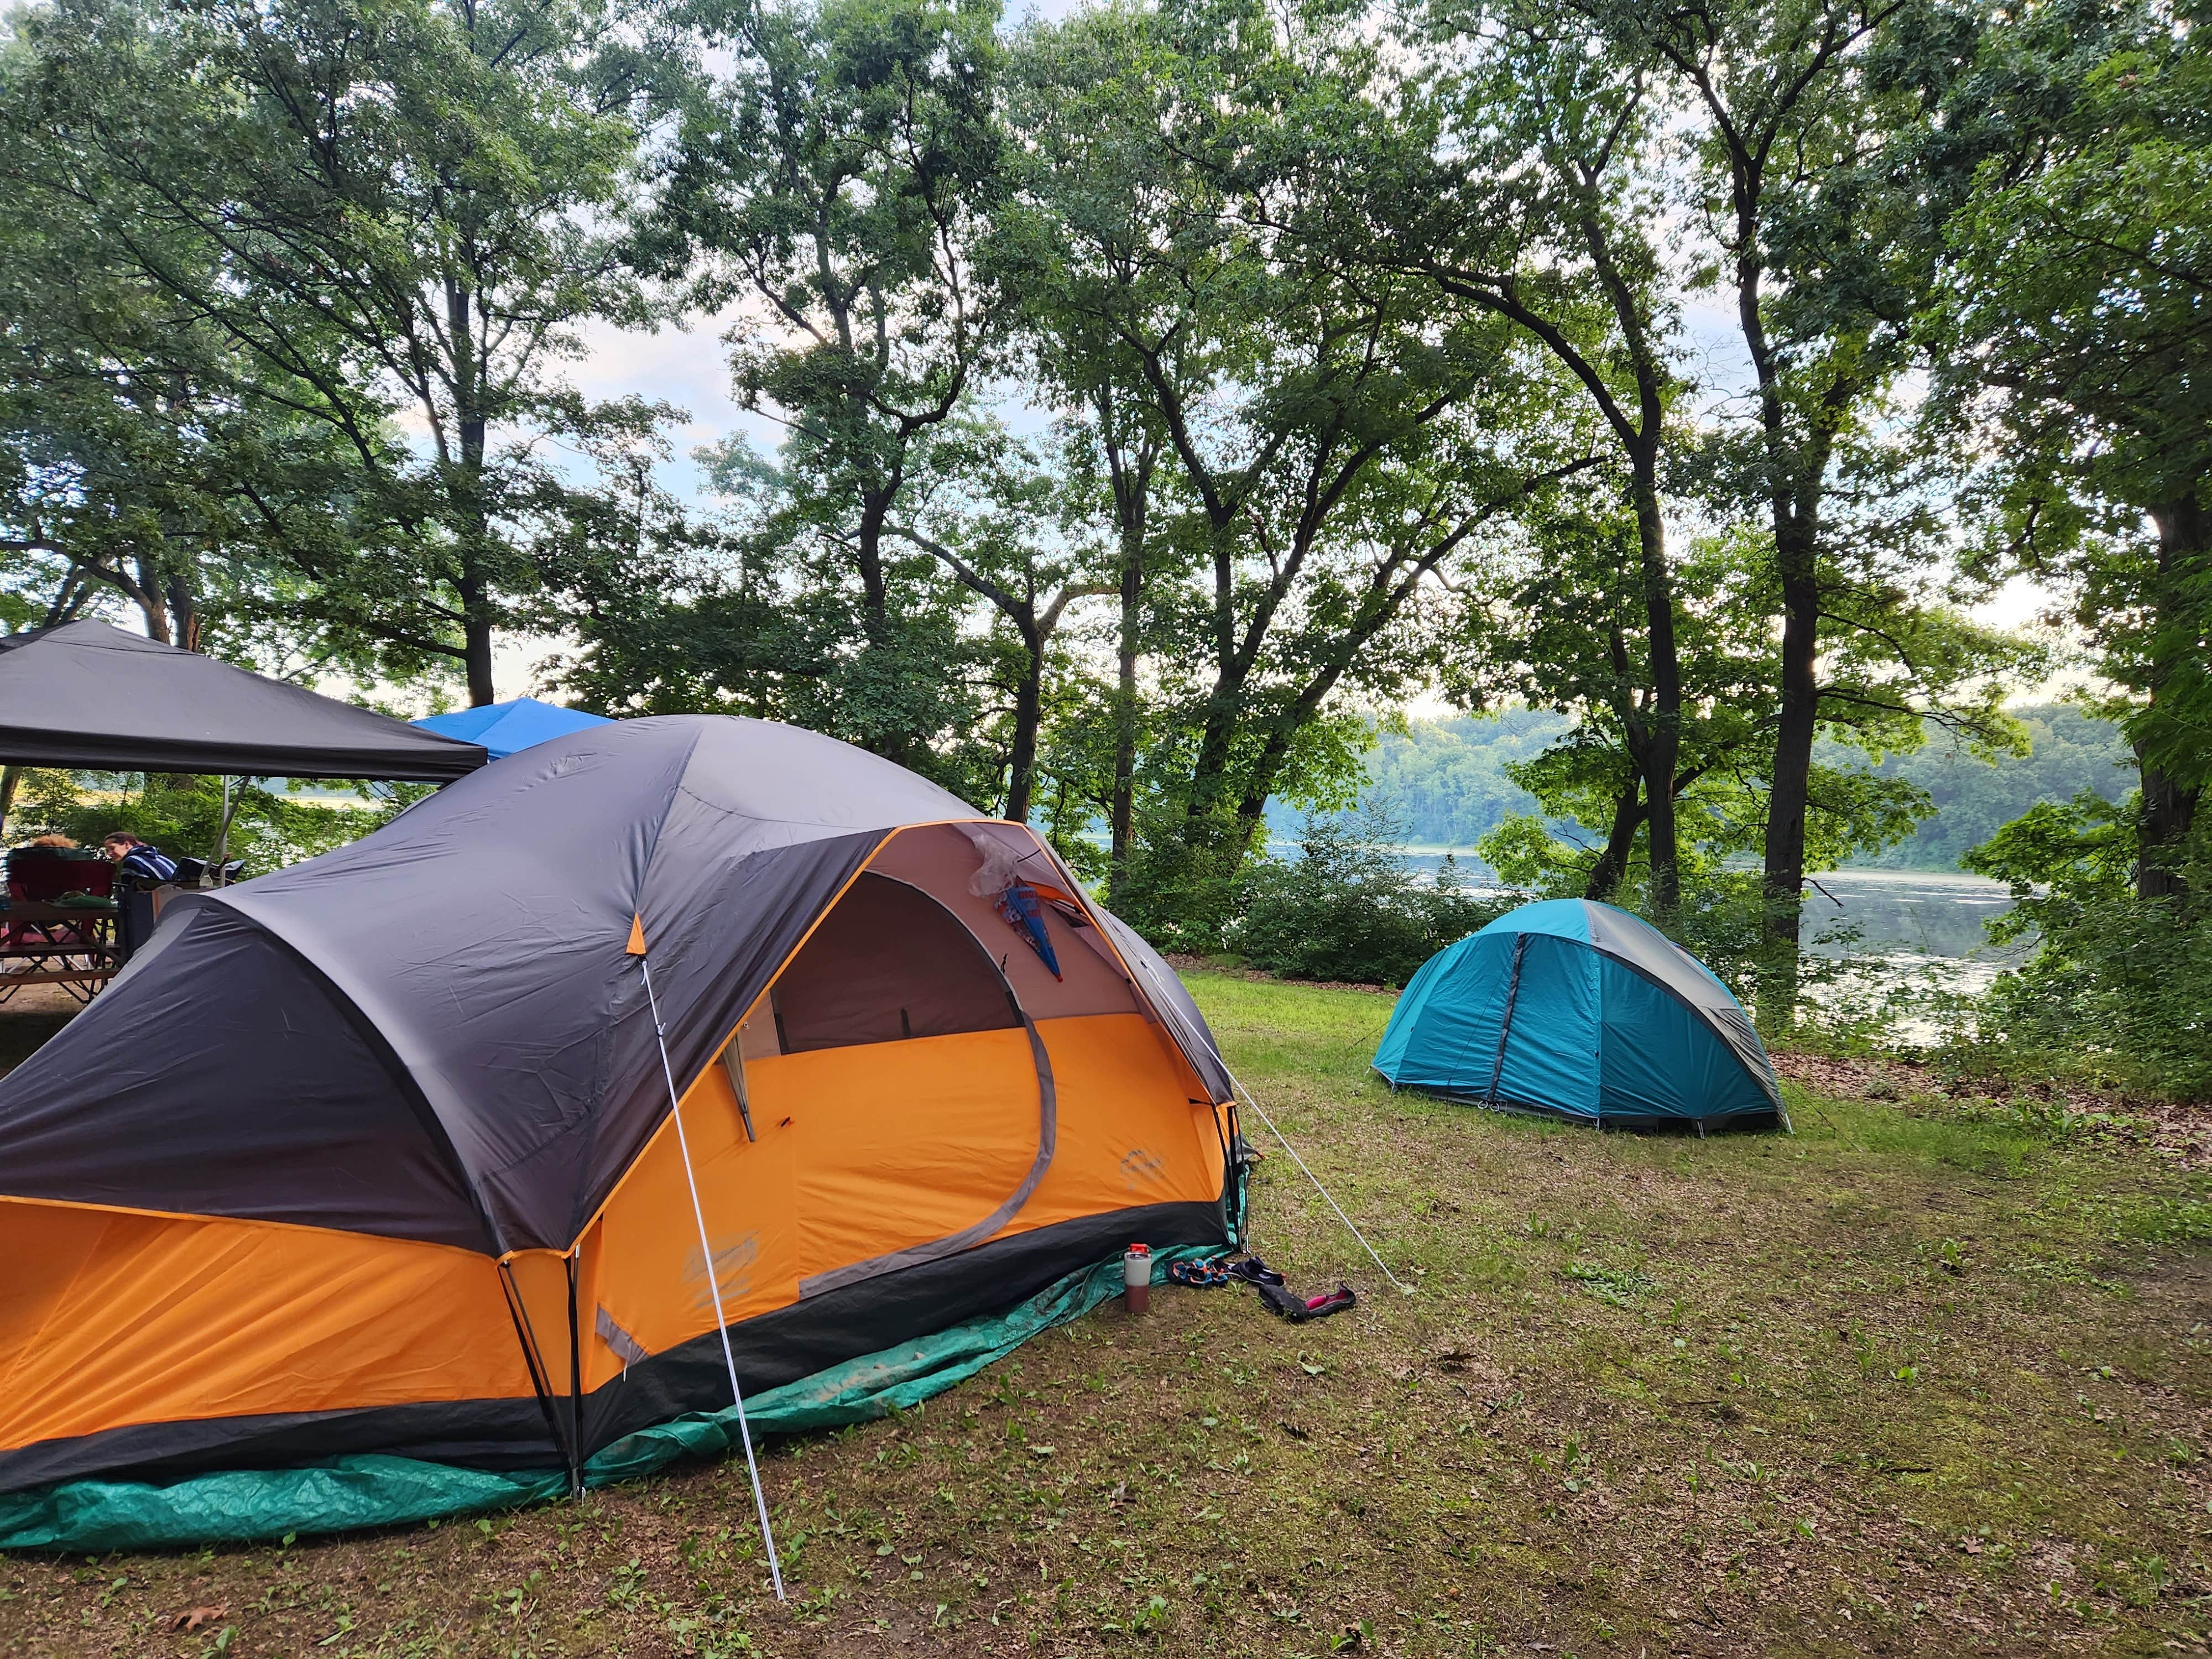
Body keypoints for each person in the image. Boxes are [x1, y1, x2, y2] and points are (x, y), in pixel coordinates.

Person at [101, 832, 179, 885]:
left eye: (112, 848)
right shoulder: (162, 858)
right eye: (107, 850)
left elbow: (129, 894)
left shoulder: (132, 861)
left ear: (127, 845)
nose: (110, 853)